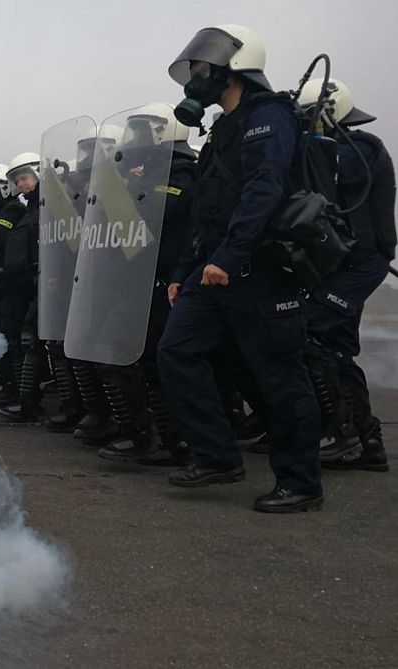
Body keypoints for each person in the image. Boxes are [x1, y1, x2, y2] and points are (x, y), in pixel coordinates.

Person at [158, 24, 323, 512]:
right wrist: (183, 272)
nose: (196, 78)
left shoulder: (269, 116)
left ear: (235, 67)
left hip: (262, 267)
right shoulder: (222, 130)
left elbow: (263, 191)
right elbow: (206, 211)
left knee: (279, 377)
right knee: (176, 350)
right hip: (213, 269)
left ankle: (301, 483)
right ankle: (217, 456)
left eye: (203, 67)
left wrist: (229, 257)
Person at [298, 78, 396, 472]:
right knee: (336, 346)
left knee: (311, 330)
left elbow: (336, 178)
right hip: (343, 265)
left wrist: (311, 142)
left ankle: (344, 432)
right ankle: (366, 442)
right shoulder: (332, 149)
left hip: (360, 264)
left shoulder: (360, 149)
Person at [95, 105, 197, 466]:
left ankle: (151, 438)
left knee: (127, 355)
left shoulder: (182, 172)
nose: (133, 140)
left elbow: (159, 210)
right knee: (143, 362)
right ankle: (165, 440)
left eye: (140, 131)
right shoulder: (152, 172)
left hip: (164, 284)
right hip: (140, 282)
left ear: (163, 132)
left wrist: (133, 185)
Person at [0, 153, 45, 420]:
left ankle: (29, 402)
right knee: (26, 338)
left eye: (25, 178)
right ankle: (25, 399)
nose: (21, 184)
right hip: (30, 282)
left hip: (43, 282)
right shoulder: (30, 208)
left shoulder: (36, 207)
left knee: (31, 339)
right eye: (18, 181)